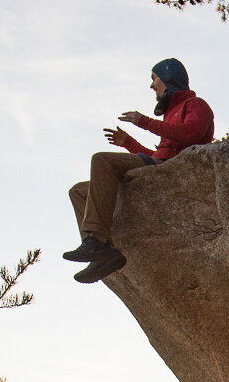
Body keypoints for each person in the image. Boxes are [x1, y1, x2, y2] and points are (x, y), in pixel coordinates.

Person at [63, 58, 214, 283]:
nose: (152, 85)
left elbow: (190, 133)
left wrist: (143, 121)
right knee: (78, 192)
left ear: (169, 78)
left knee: (102, 160)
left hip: (174, 171)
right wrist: (128, 143)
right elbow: (157, 156)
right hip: (159, 165)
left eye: (155, 79)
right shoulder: (170, 113)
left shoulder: (195, 105)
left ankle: (96, 240)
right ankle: (104, 252)